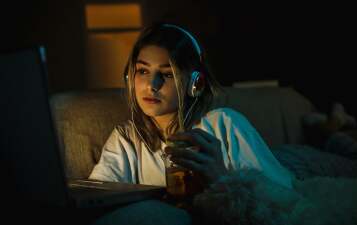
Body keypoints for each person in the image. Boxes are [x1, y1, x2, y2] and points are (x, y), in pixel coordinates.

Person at [89, 23, 294, 225]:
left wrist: (220, 179)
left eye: (167, 74)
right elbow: (93, 201)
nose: (152, 85)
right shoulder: (125, 138)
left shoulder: (223, 123)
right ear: (129, 77)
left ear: (195, 84)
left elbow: (283, 202)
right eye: (143, 71)